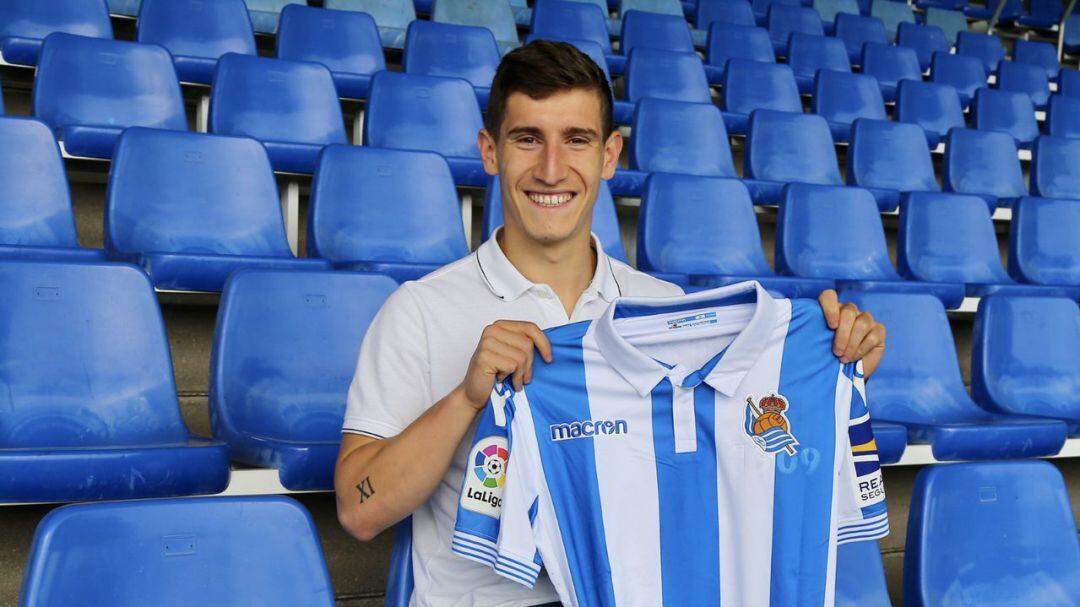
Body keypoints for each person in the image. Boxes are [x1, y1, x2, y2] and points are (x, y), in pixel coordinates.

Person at [334, 41, 887, 607]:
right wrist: (467, 397)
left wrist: (834, 361)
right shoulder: (420, 310)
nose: (551, 170)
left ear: (609, 155)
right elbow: (358, 510)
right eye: (527, 139)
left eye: (576, 140)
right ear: (490, 151)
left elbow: (750, 439)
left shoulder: (664, 309)